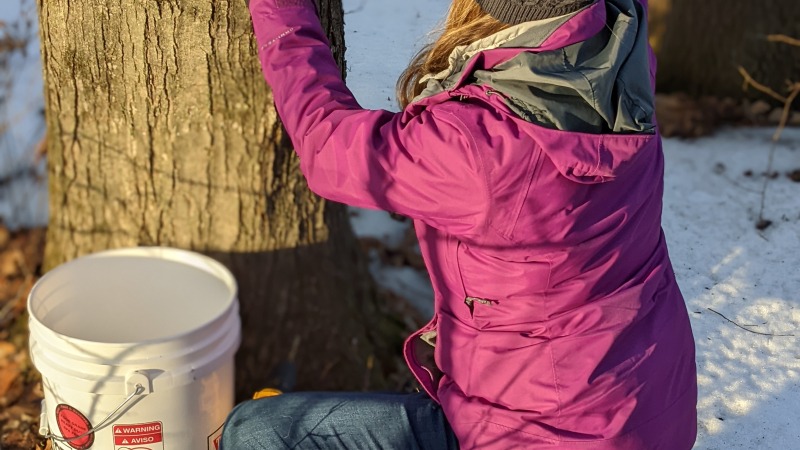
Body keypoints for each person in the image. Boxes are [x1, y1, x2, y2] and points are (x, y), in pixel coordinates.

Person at [221, 0, 698, 448]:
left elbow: (329, 147)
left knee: (257, 432)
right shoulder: (622, 46)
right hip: (653, 406)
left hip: (539, 433)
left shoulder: (476, 147)